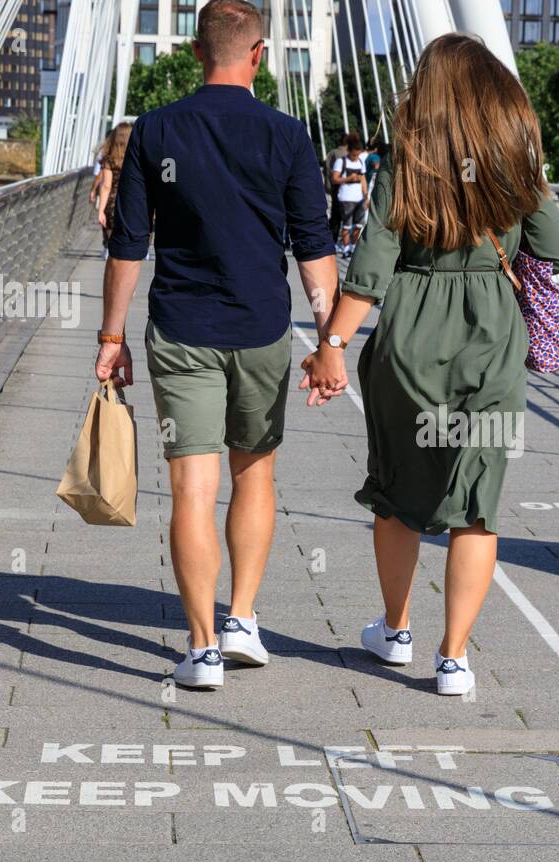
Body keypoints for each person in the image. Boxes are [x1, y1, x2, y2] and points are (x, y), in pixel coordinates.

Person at [301, 33, 559, 696]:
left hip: (412, 333)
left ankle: (396, 631)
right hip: (493, 339)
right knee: (477, 503)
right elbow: (558, 251)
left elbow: (370, 268)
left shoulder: (407, 159)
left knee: (396, 495)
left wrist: (331, 349)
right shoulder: (517, 157)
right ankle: (454, 658)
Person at [95, 0, 339, 689]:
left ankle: (201, 649)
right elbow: (315, 250)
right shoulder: (289, 137)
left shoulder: (155, 131)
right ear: (259, 54)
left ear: (197, 53)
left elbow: (127, 245)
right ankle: (243, 618)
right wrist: (330, 340)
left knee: (190, 489)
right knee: (253, 475)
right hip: (263, 329)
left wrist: (112, 337)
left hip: (180, 330)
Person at [93, 123, 132, 258]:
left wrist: (101, 210)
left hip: (113, 202)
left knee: (110, 227)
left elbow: (106, 186)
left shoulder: (109, 160)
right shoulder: (135, 159)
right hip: (131, 201)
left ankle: (109, 249)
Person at [331, 133, 368, 256]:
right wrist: (348, 179)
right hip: (346, 197)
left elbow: (363, 180)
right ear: (349, 151)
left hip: (359, 198)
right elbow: (334, 179)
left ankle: (353, 247)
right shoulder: (341, 162)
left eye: (357, 154)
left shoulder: (360, 162)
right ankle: (345, 247)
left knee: (358, 224)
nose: (355, 157)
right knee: (347, 225)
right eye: (353, 155)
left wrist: (366, 195)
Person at [324, 133, 349, 250]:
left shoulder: (333, 153)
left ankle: (332, 239)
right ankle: (347, 243)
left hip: (337, 188)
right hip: (350, 188)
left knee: (335, 216)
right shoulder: (352, 154)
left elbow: (327, 170)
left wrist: (328, 186)